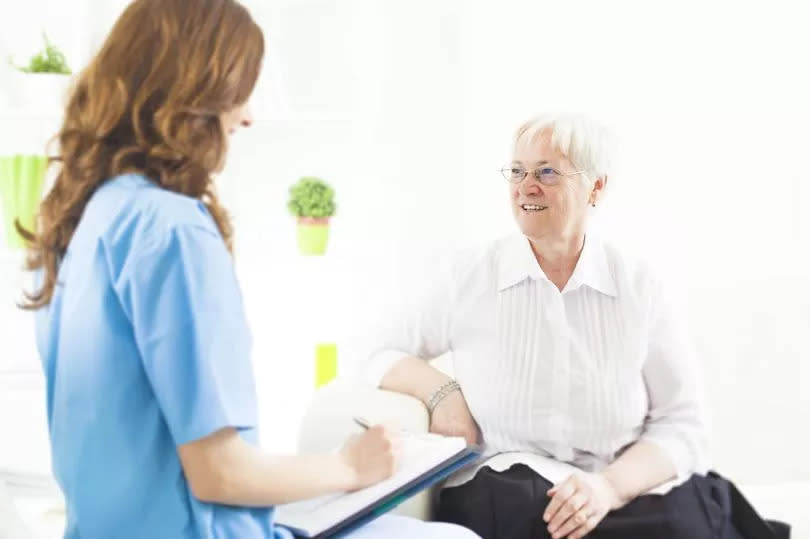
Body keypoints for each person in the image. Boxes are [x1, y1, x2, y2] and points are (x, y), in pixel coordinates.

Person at [18, 1, 478, 538]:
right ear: (197, 90)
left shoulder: (77, 223)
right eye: (240, 91)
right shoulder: (171, 229)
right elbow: (218, 473)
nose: (248, 115)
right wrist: (351, 467)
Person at [361, 114, 789, 538]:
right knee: (529, 516)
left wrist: (607, 488)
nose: (526, 185)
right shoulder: (468, 276)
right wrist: (443, 393)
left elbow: (682, 423)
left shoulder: (639, 286)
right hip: (511, 488)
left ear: (595, 188)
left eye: (546, 172)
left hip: (622, 486)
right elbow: (375, 348)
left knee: (686, 523)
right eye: (517, 171)